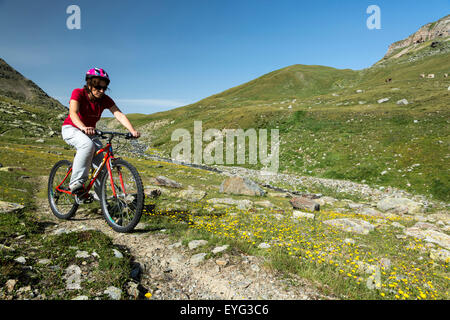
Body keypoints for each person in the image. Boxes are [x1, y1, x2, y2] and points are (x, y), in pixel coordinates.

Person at [61, 67, 141, 199]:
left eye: (104, 88)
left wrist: (132, 130)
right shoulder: (78, 93)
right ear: (89, 84)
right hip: (72, 128)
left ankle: (101, 200)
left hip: (90, 133)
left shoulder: (105, 99)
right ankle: (76, 183)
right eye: (98, 87)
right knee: (87, 145)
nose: (102, 91)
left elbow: (118, 114)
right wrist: (83, 127)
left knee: (102, 166)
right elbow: (73, 113)